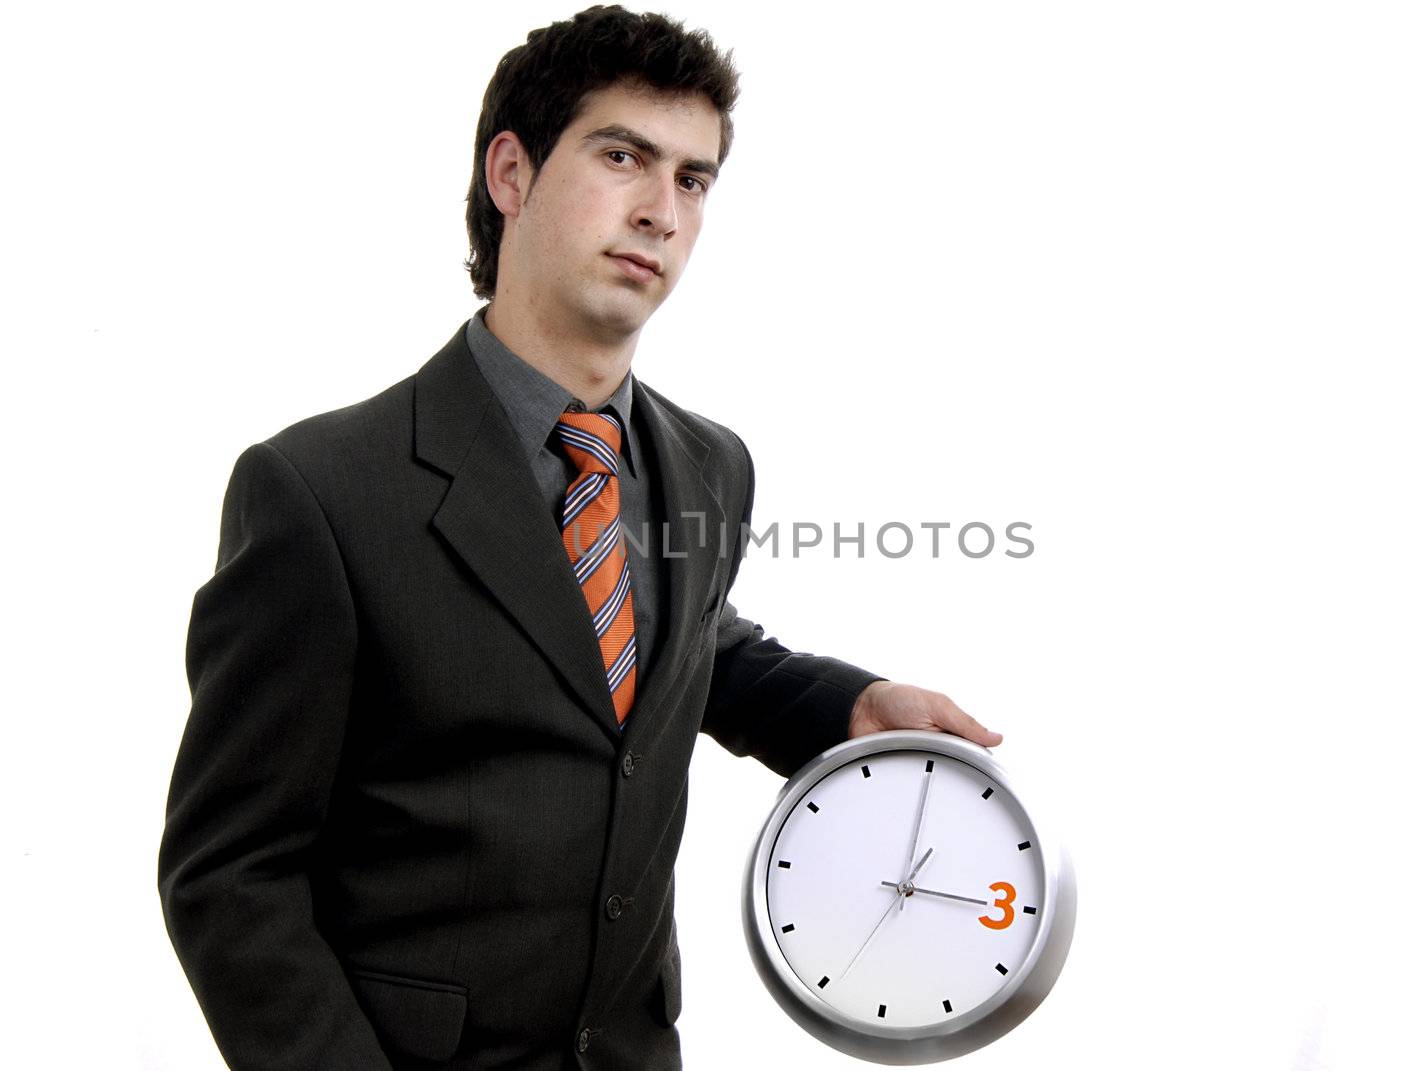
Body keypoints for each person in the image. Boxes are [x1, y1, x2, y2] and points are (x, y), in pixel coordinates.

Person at [157, 6, 1001, 1068]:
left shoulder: (711, 464)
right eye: (622, 157)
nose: (660, 211)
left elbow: (681, 649)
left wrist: (847, 706)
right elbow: (231, 876)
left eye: (692, 181)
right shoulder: (321, 492)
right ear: (511, 174)